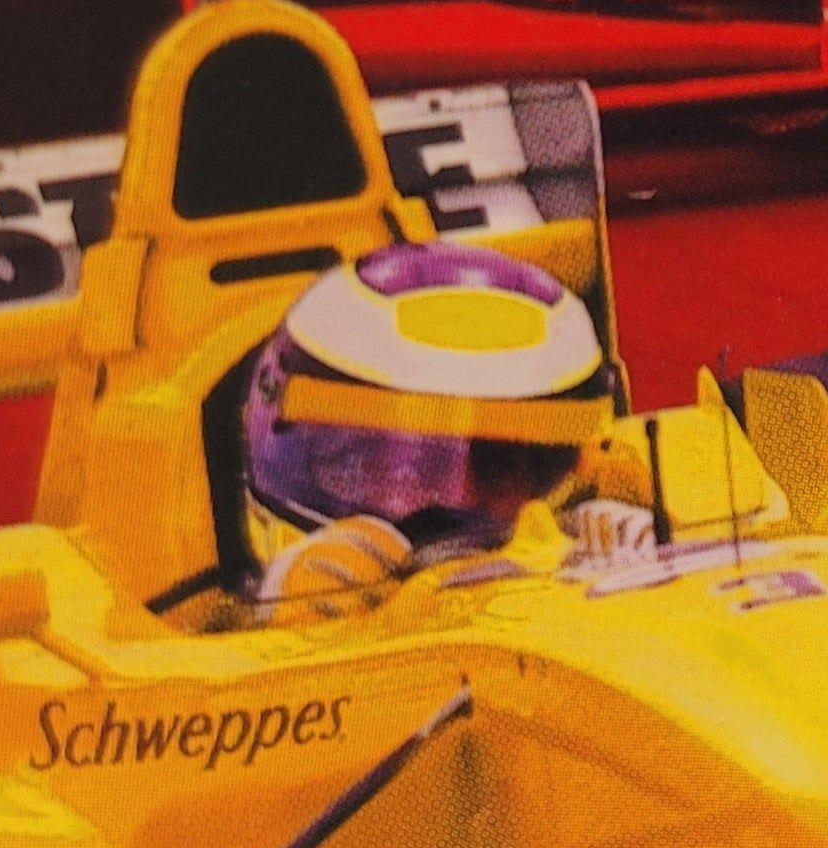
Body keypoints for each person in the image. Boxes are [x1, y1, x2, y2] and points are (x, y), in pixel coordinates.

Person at [238, 242, 648, 613]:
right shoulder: (317, 578)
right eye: (409, 466)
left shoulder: (608, 540)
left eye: (498, 467)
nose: (456, 498)